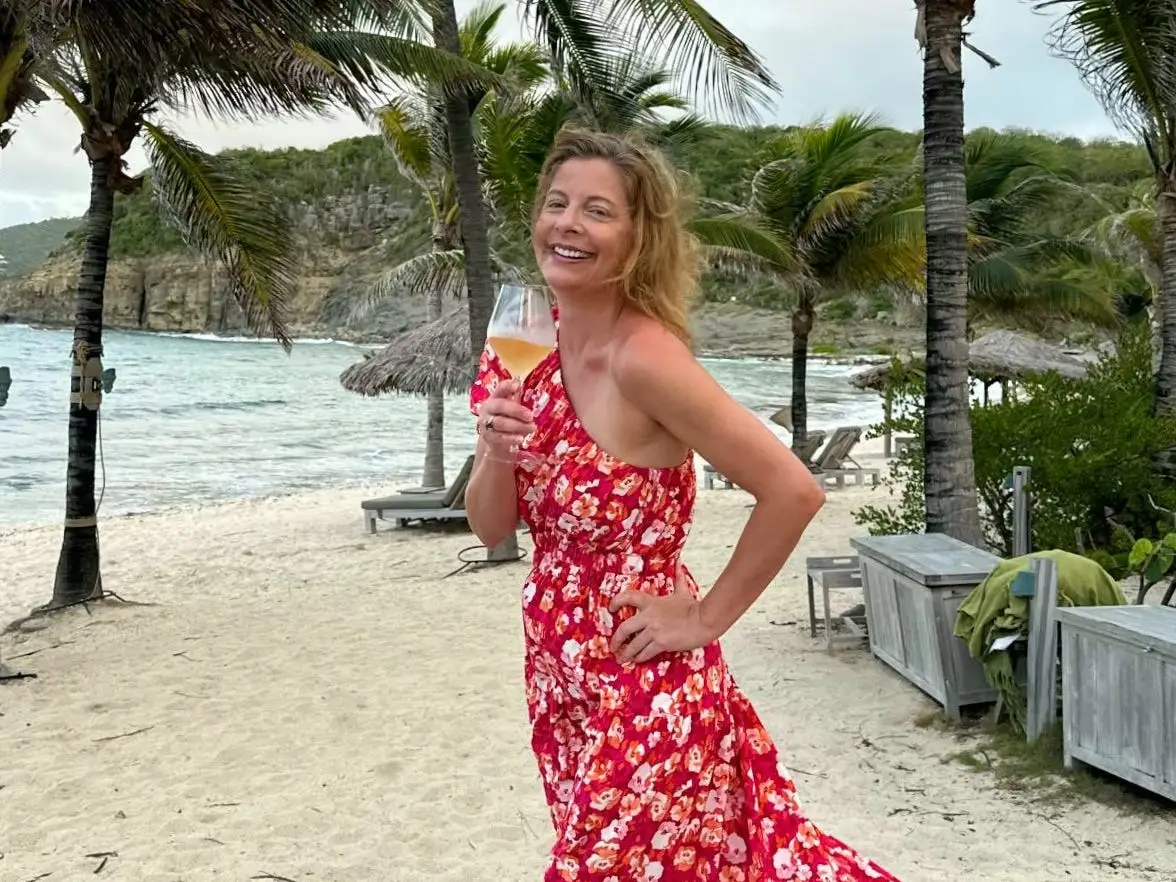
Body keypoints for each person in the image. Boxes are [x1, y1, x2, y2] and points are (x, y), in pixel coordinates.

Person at [467, 128, 899, 881]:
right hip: (559, 673)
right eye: (556, 203)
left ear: (639, 238)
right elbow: (492, 527)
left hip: (645, 678)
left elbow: (793, 490)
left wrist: (703, 619)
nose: (567, 224)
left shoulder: (646, 359)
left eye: (598, 211)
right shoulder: (521, 340)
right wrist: (495, 449)